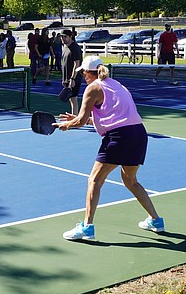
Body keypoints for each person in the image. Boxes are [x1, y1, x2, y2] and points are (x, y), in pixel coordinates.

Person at [55, 55, 164, 240]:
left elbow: (80, 122)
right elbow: (111, 116)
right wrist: (77, 120)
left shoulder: (93, 87)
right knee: (130, 180)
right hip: (138, 134)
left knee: (94, 180)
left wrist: (66, 125)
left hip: (119, 138)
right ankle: (155, 220)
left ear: (89, 73)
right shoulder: (116, 85)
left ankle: (87, 227)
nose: (83, 76)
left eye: (83, 73)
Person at [60, 29, 83, 115]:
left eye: (65, 37)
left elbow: (77, 64)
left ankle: (75, 118)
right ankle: (74, 117)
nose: (63, 39)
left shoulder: (75, 48)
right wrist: (64, 79)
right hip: (67, 77)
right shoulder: (65, 47)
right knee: (70, 98)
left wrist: (72, 78)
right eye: (62, 37)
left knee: (73, 98)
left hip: (74, 78)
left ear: (70, 37)